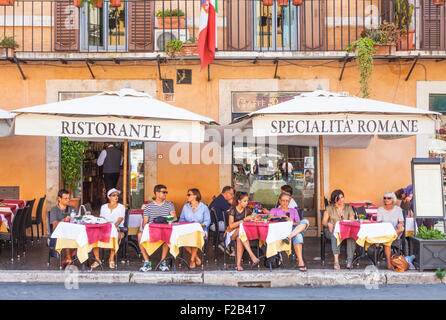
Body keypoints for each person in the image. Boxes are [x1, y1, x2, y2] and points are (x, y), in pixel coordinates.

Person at [138, 184, 176, 272]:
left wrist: (164, 219)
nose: (165, 194)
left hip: (164, 229)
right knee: (140, 235)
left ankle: (163, 262)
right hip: (152, 230)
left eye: (166, 192)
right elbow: (144, 223)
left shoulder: (169, 205)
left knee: (167, 235)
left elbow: (174, 218)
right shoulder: (148, 206)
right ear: (157, 193)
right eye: (164, 192)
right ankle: (147, 262)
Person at [270, 192, 310, 272]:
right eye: (283, 201)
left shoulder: (294, 211)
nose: (285, 203)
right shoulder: (274, 210)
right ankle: (301, 262)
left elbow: (298, 223)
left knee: (305, 222)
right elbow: (269, 218)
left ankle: (289, 237)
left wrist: (292, 221)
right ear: (279, 201)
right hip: (279, 231)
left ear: (289, 201)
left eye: (287, 201)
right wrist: (280, 218)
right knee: (298, 235)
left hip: (292, 230)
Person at [90, 188, 126, 270]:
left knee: (115, 236)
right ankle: (97, 259)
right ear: (109, 197)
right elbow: (101, 219)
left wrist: (113, 226)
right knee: (93, 236)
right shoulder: (104, 207)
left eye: (117, 195)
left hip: (117, 228)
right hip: (104, 228)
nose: (116, 197)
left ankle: (111, 258)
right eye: (114, 195)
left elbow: (120, 220)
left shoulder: (121, 207)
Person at [322, 189, 357, 270]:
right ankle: (336, 261)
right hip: (332, 230)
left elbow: (352, 220)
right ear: (334, 199)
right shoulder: (329, 208)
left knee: (352, 236)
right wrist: (328, 224)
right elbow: (323, 222)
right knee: (335, 236)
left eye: (342, 197)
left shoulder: (348, 207)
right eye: (338, 198)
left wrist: (349, 223)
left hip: (346, 230)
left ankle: (349, 261)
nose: (341, 200)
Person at [227, 191, 260, 271]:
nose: (247, 203)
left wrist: (255, 217)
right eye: (245, 201)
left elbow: (257, 216)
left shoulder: (247, 210)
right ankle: (252, 255)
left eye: (247, 201)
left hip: (241, 235)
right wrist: (244, 220)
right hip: (232, 233)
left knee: (240, 238)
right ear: (239, 201)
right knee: (240, 229)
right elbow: (231, 225)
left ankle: (238, 265)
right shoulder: (233, 210)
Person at [179, 188, 211, 269]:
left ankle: (192, 259)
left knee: (196, 236)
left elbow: (208, 221)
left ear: (195, 196)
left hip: (200, 230)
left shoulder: (203, 207)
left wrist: (200, 225)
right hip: (188, 230)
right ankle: (196, 257)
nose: (187, 196)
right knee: (180, 238)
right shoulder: (185, 207)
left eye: (189, 195)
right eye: (187, 194)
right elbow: (181, 219)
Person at [377, 191, 405, 270]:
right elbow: (379, 222)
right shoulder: (380, 209)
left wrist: (400, 225)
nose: (386, 200)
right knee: (388, 240)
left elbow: (401, 222)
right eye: (385, 198)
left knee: (402, 229)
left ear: (393, 199)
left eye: (389, 198)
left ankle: (383, 240)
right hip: (384, 231)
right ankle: (389, 263)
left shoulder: (398, 209)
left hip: (395, 232)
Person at [49, 189, 77, 269]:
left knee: (84, 239)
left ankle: (68, 258)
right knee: (66, 236)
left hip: (72, 232)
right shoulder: (54, 210)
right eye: (66, 198)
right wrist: (64, 220)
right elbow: (54, 225)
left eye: (69, 198)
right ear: (59, 198)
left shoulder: (72, 208)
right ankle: (69, 257)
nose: (68, 200)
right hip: (58, 234)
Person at [209, 186, 234, 252]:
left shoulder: (220, 198)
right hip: (216, 225)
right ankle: (225, 244)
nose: (233, 196)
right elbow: (233, 212)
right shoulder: (222, 200)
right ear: (226, 193)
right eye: (231, 194)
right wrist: (232, 203)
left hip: (216, 223)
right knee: (236, 226)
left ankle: (227, 243)